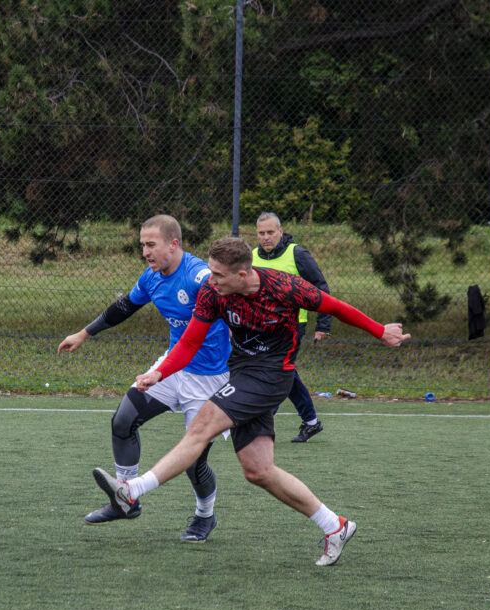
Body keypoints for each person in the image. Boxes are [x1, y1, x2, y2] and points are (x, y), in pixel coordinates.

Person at [93, 237, 410, 566]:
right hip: (241, 372)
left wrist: (379, 331)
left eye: (218, 274)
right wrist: (161, 373)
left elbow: (335, 307)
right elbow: (189, 343)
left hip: (272, 376)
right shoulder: (213, 293)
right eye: (211, 272)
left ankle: (131, 492)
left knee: (201, 425)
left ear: (242, 275)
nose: (211, 279)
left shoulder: (286, 288)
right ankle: (335, 526)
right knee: (258, 471)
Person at [58, 215, 231, 541]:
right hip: (172, 367)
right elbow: (124, 306)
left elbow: (233, 302)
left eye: (151, 245)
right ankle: (125, 499)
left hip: (209, 379)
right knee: (123, 420)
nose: (145, 252)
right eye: (142, 245)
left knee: (193, 462)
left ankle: (205, 515)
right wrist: (84, 333)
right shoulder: (152, 277)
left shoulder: (199, 277)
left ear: (174, 244)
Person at [253, 212, 331, 443]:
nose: (266, 237)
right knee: (285, 372)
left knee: (277, 370)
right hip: (261, 328)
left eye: (270, 232)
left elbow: (321, 288)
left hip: (292, 326)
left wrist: (323, 324)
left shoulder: (297, 254)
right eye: (261, 233)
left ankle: (263, 422)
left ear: (280, 231)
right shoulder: (252, 256)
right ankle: (311, 422)